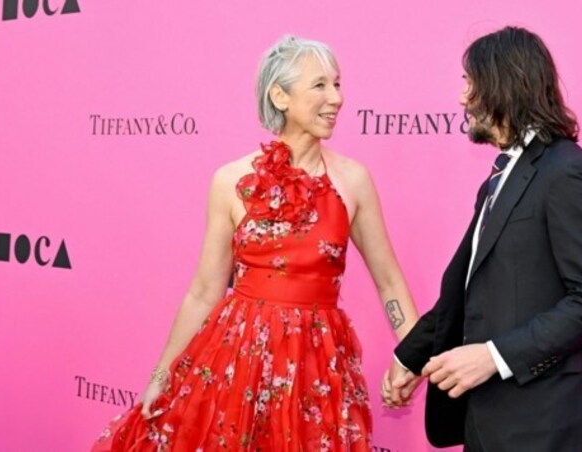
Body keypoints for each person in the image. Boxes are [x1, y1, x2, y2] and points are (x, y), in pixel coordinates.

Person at [92, 35, 418, 451]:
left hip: (316, 366)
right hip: (238, 362)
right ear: (279, 96)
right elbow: (204, 292)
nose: (336, 98)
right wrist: (161, 377)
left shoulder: (353, 181)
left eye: (338, 84)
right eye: (320, 85)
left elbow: (389, 280)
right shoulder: (230, 180)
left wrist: (413, 356)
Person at [383, 26, 582, 451]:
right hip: (486, 419)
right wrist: (410, 357)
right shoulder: (501, 178)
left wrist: (493, 357)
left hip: (542, 425)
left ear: (503, 84)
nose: (462, 99)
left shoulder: (568, 171)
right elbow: (467, 292)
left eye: (470, 83)